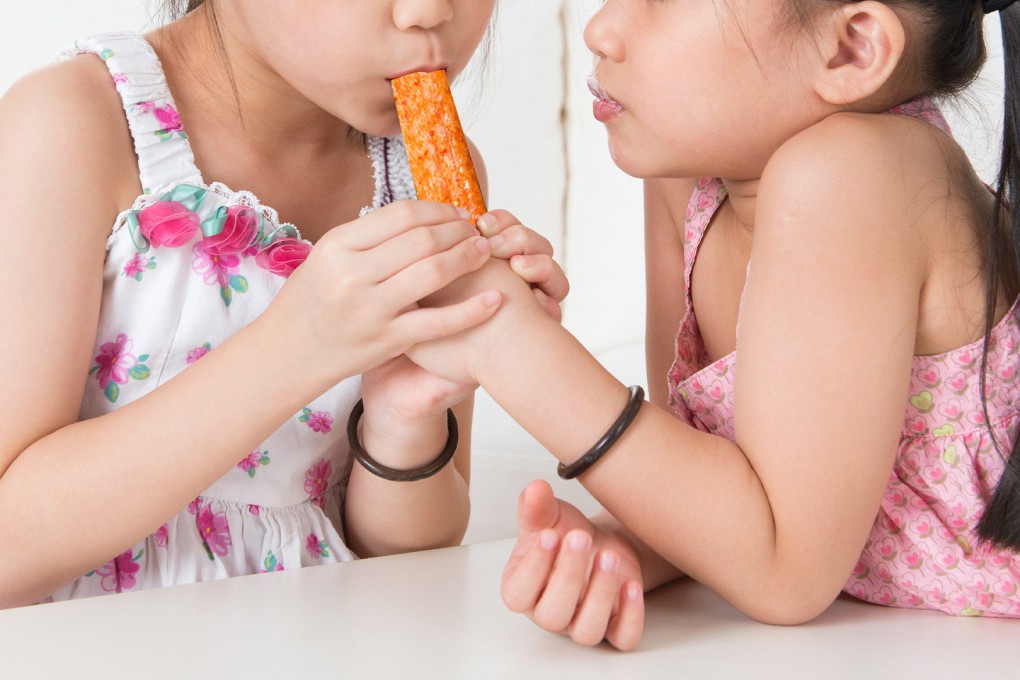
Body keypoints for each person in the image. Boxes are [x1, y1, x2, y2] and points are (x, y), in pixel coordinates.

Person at [404, 0, 1020, 651]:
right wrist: (630, 545)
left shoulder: (857, 175)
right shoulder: (688, 180)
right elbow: (705, 468)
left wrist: (508, 341)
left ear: (851, 49)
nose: (599, 29)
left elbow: (785, 569)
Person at [0, 0, 568, 607]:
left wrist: (405, 416)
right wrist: (299, 347)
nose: (429, 11)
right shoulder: (73, 125)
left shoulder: (423, 177)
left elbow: (407, 557)